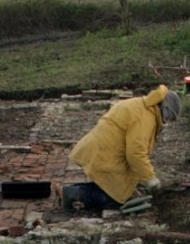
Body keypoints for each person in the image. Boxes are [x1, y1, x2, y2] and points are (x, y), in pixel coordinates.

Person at [62, 84, 182, 212]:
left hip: (103, 149)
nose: (165, 122)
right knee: (117, 199)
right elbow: (136, 153)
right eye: (168, 118)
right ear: (165, 109)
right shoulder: (145, 118)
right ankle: (74, 193)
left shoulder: (143, 106)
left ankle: (72, 191)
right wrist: (149, 178)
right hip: (104, 153)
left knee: (115, 187)